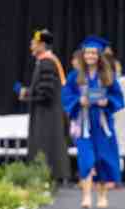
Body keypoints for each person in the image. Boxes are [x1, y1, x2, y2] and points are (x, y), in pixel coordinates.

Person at [62, 35, 124, 209]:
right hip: (84, 125)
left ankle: (102, 196)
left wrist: (107, 102)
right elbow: (66, 96)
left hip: (102, 124)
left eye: (94, 53)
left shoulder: (107, 76)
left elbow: (117, 97)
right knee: (86, 159)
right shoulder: (74, 76)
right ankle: (87, 196)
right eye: (87, 53)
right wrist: (78, 101)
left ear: (99, 55)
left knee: (102, 159)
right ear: (83, 55)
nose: (90, 56)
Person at [19, 29, 71, 184]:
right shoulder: (44, 61)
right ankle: (47, 177)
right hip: (46, 111)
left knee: (46, 144)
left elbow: (46, 92)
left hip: (47, 113)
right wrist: (29, 93)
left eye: (33, 43)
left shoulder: (47, 62)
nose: (31, 46)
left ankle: (49, 177)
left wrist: (28, 95)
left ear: (42, 45)